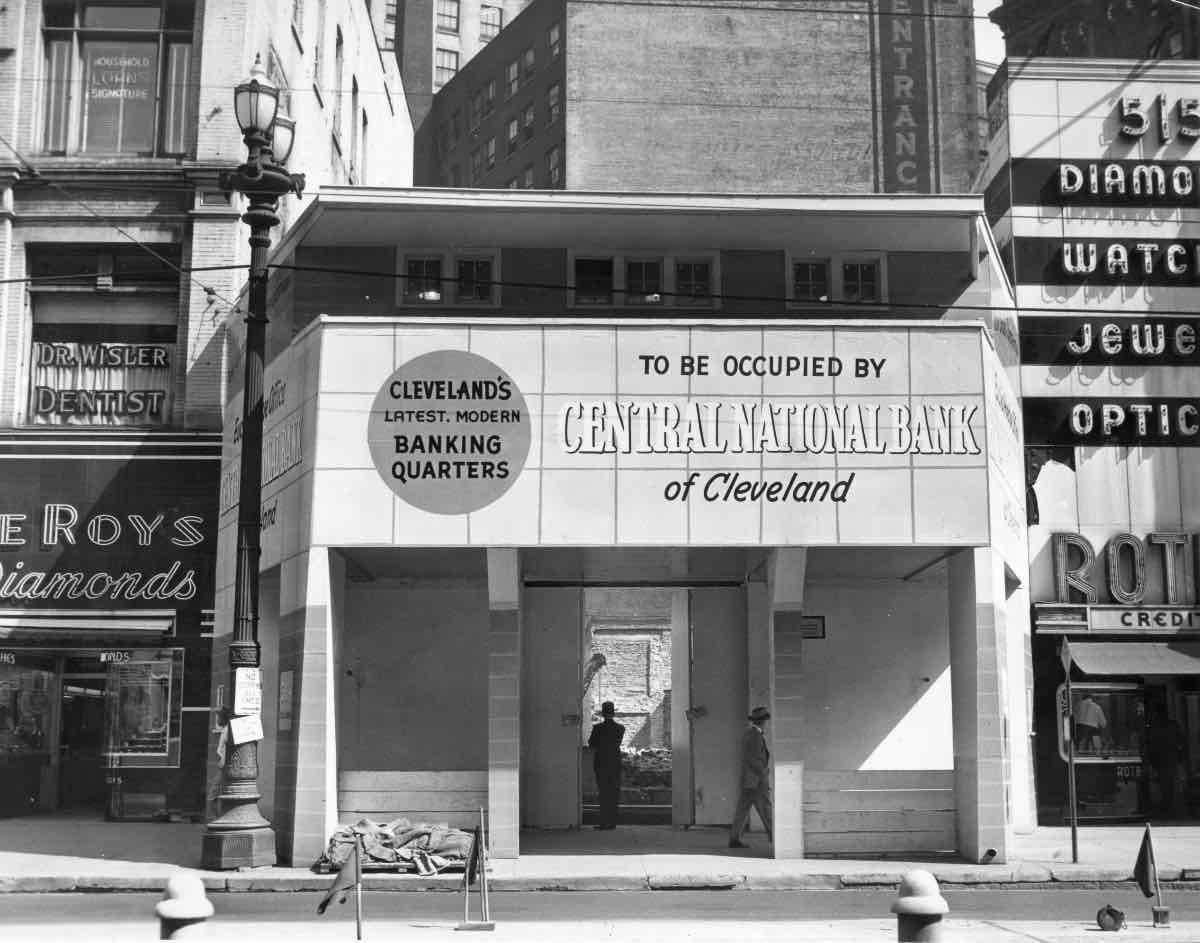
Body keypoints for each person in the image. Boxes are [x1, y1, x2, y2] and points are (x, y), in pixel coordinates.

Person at [729, 706, 774, 849]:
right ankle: (776, 837)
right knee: (766, 809)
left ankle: (734, 838)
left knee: (742, 810)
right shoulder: (756, 736)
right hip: (757, 780)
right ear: (763, 721)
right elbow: (754, 759)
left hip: (749, 780)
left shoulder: (750, 734)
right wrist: (763, 774)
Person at [588, 701, 625, 830]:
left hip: (601, 762)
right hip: (615, 762)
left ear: (603, 714)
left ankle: (604, 822)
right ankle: (612, 822)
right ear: (613, 713)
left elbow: (592, 744)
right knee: (614, 792)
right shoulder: (620, 728)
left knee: (603, 792)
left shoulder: (597, 728)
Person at [1146, 705, 1183, 817]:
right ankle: (1168, 804)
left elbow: (1152, 743)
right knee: (1169, 782)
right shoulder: (1173, 725)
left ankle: (1166, 804)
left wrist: (1152, 759)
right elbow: (1180, 740)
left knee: (1164, 782)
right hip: (1170, 757)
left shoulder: (1155, 727)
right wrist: (1180, 756)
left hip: (1161, 758)